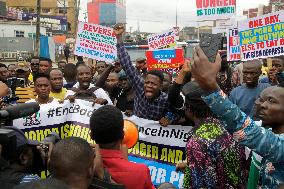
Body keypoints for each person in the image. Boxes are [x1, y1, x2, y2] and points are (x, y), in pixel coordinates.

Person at [190, 46, 284, 188]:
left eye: (271, 101)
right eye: (260, 99)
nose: (260, 105)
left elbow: (243, 126)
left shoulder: (279, 145)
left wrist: (210, 85)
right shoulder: (267, 133)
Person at [176, 81, 247, 189]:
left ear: (189, 108)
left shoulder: (197, 142)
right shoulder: (229, 128)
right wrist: (190, 166)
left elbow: (204, 184)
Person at [89, 105, 155, 189]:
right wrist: (126, 163)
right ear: (123, 135)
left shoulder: (78, 165)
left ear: (91, 136)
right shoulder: (141, 172)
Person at [114, 24, 170, 120]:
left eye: (153, 84)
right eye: (147, 82)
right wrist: (119, 37)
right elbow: (127, 64)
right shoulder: (140, 87)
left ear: (161, 86)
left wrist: (169, 118)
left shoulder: (166, 99)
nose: (148, 85)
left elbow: (177, 112)